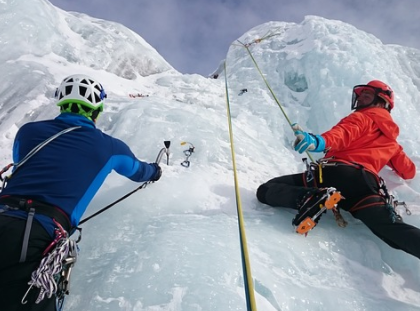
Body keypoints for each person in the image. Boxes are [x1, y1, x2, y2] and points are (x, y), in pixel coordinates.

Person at [0, 74, 162, 310]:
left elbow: (21, 162)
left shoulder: (28, 132)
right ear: (97, 111)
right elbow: (138, 171)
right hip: (38, 233)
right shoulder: (110, 147)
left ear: (61, 104)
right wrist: (156, 171)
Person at [256, 80, 420, 259]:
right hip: (364, 187)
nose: (361, 99)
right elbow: (408, 171)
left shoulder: (362, 117)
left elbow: (342, 134)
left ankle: (310, 196)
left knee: (266, 189)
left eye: (367, 95)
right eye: (361, 95)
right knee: (393, 230)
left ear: (382, 101)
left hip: (335, 173)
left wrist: (318, 142)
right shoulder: (392, 142)